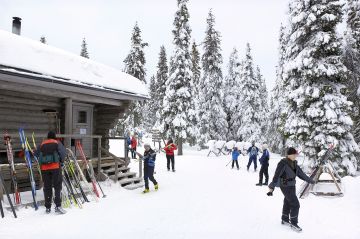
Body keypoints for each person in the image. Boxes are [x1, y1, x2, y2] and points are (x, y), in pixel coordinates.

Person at [267, 147, 315, 232]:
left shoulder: (294, 163)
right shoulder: (283, 163)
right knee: (295, 204)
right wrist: (271, 187)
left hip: (292, 185)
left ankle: (285, 218)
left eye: (296, 154)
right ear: (290, 155)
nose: (296, 156)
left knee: (288, 201)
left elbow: (301, 174)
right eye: (294, 154)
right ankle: (294, 222)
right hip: (285, 186)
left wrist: (310, 180)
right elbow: (276, 176)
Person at [35, 131, 66, 214]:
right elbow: (63, 153)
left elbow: (36, 154)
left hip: (44, 168)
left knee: (47, 186)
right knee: (57, 186)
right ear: (54, 137)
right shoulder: (57, 143)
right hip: (55, 167)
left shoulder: (42, 143)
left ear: (48, 137)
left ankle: (48, 207)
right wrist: (61, 162)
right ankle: (58, 206)